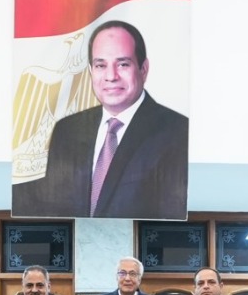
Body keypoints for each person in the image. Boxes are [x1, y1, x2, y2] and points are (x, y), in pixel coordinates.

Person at [12, 19, 188, 220]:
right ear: (91, 71)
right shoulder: (66, 130)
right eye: (100, 65)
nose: (111, 76)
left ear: (143, 69)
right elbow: (53, 208)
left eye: (123, 64)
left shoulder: (178, 133)